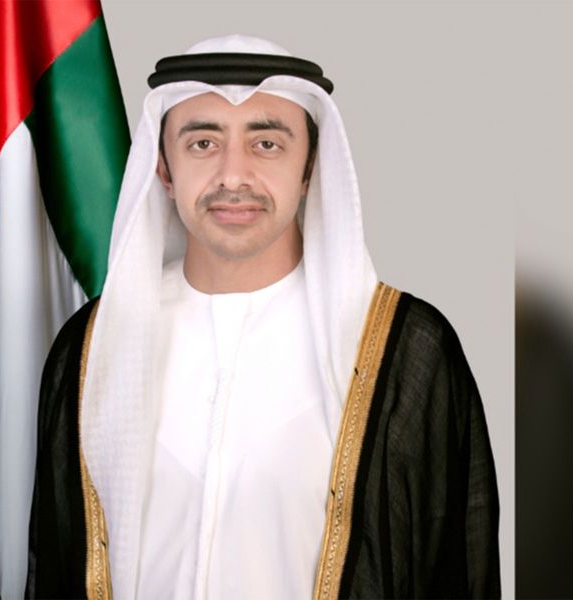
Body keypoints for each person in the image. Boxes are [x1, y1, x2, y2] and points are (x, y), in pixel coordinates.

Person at [25, 35, 500, 600]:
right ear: (164, 170)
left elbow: (456, 568)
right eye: (203, 143)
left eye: (267, 143)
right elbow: (55, 568)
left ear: (309, 169)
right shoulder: (96, 346)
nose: (234, 176)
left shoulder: (401, 351)